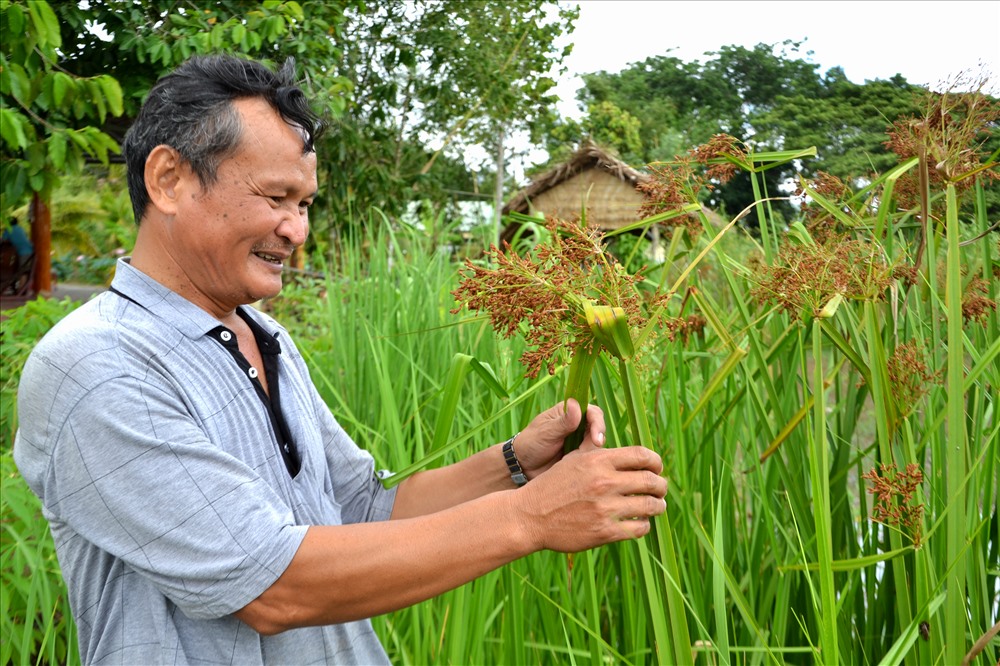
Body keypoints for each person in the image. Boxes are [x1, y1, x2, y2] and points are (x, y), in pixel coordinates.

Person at [13, 54, 667, 665]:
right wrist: (530, 518)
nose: (296, 231)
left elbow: (364, 507)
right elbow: (272, 586)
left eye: (304, 205)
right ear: (169, 179)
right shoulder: (95, 367)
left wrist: (518, 465)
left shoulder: (266, 338)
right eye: (275, 199)